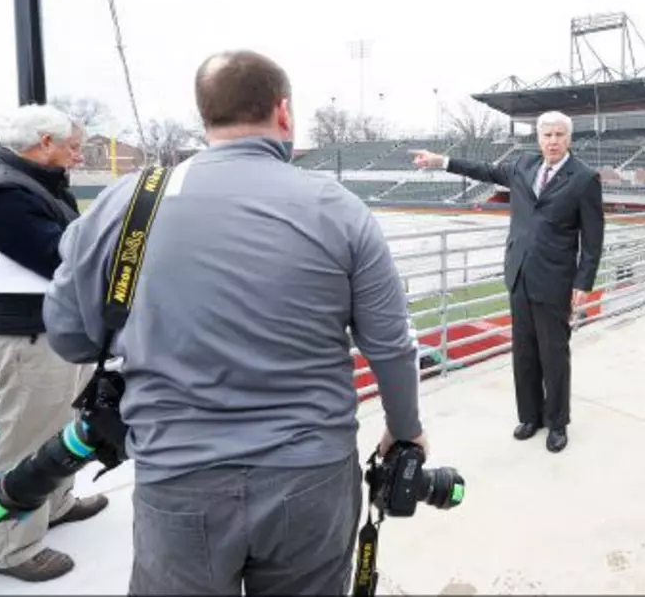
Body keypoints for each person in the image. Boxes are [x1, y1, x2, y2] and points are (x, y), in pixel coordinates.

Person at [43, 50, 426, 596]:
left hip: (177, 480)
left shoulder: (125, 206)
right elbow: (390, 345)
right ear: (284, 113)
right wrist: (406, 429)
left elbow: (69, 337)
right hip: (311, 479)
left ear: (205, 116)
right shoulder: (337, 208)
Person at [410, 111, 604, 453]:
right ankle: (530, 416)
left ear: (569, 138)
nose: (553, 141)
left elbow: (592, 238)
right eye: (547, 135)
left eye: (559, 135)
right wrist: (441, 161)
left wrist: (583, 283)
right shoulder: (523, 166)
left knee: (554, 355)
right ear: (539, 138)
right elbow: (483, 170)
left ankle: (557, 422)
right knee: (524, 352)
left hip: (555, 280)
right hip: (519, 274)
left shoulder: (584, 178)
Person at [0, 105, 106, 581]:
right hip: (28, 338)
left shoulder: (34, 184)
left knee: (66, 422)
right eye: (72, 146)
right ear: (44, 143)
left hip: (53, 331)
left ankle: (56, 500)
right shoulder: (3, 193)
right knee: (27, 439)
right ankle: (14, 548)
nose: (77, 156)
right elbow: (57, 257)